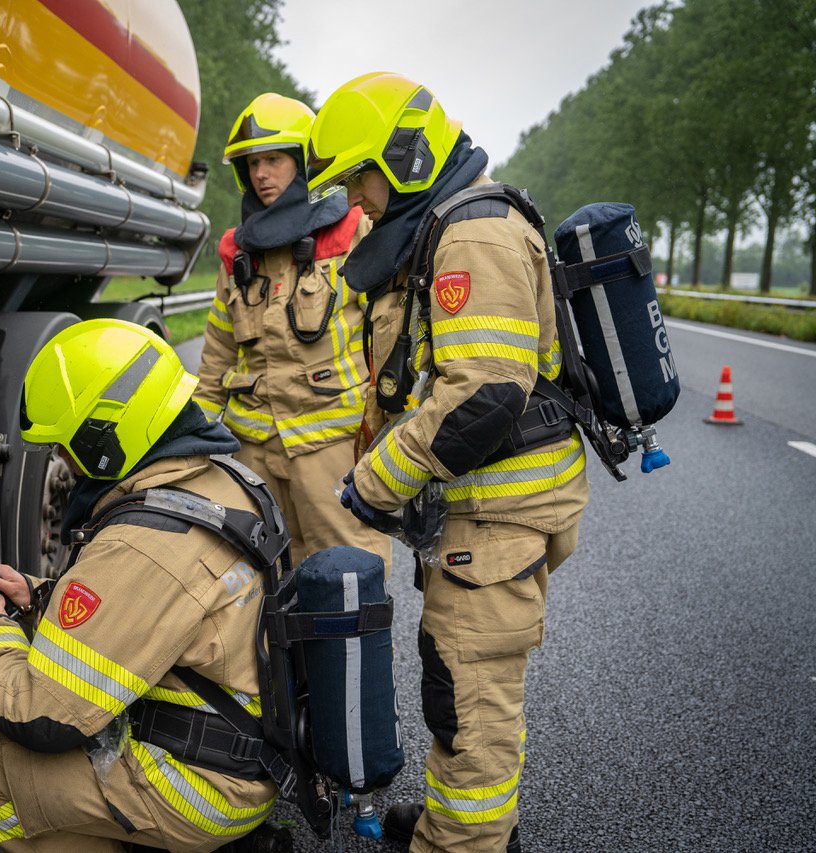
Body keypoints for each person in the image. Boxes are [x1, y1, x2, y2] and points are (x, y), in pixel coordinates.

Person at [306, 72, 590, 852]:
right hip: (480, 516)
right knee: (462, 690)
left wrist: (375, 480)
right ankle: (462, 823)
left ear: (401, 156)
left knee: (470, 706)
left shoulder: (473, 234)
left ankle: (464, 841)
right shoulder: (446, 224)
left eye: (359, 176)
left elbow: (483, 396)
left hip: (498, 521)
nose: (356, 202)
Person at [0, 318, 286, 853]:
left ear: (104, 438)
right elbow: (160, 617)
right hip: (248, 752)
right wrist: (41, 597)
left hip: (199, 790)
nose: (65, 463)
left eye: (67, 446)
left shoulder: (142, 545)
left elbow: (41, 714)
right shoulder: (229, 482)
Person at [193, 92, 391, 570]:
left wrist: (378, 430)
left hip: (333, 450)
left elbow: (387, 336)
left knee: (345, 575)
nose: (261, 174)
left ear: (302, 162)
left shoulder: (354, 232)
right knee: (261, 580)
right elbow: (217, 355)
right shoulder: (236, 255)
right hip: (253, 456)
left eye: (274, 160)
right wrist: (194, 436)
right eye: (252, 163)